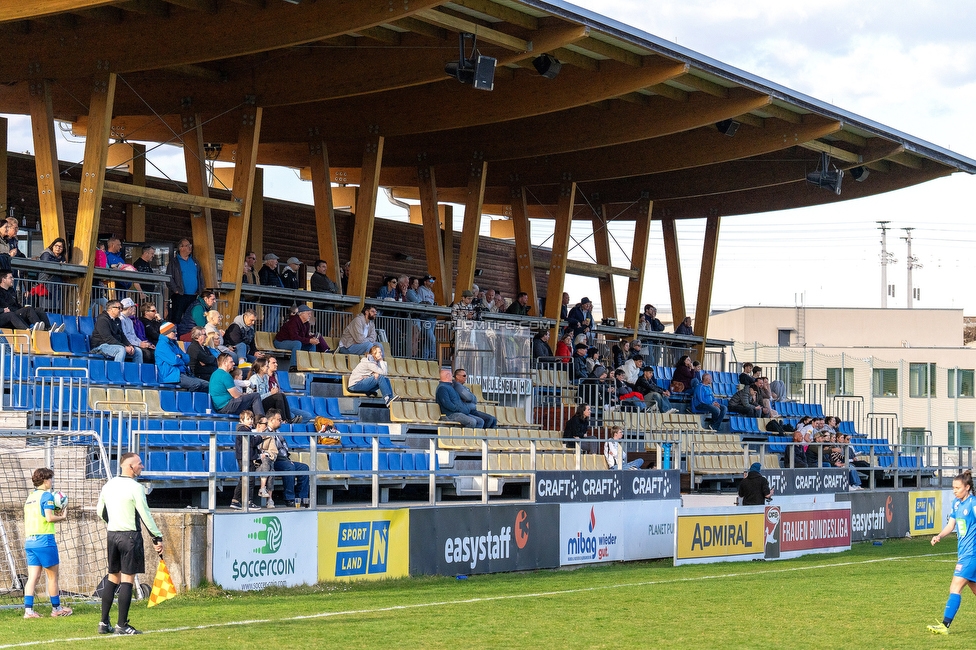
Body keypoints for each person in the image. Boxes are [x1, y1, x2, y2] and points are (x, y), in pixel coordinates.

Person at [96, 452, 163, 635]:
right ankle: (122, 625)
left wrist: (112, 523)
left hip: (112, 535)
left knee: (112, 578)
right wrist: (157, 537)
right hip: (130, 537)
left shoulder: (108, 485)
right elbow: (145, 514)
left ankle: (103, 623)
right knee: (127, 580)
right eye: (139, 464)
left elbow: (100, 511)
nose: (142, 466)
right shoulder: (136, 487)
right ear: (129, 466)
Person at [928, 471, 976, 635]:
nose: (954, 491)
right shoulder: (956, 504)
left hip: (971, 555)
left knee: (955, 587)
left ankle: (945, 625)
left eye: (958, 488)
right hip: (964, 554)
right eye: (953, 487)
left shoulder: (973, 504)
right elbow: (951, 525)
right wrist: (939, 536)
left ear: (967, 487)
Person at [22, 467, 72, 619]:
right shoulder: (47, 496)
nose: (51, 481)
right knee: (52, 577)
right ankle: (56, 609)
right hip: (45, 540)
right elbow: (49, 518)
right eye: (50, 479)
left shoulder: (30, 498)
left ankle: (28, 611)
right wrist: (62, 516)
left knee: (33, 577)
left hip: (30, 540)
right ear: (45, 480)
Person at [264, 409, 310, 508]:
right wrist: (287, 461)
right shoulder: (265, 432)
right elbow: (273, 451)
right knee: (289, 467)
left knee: (304, 468)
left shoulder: (277, 431)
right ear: (271, 420)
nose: (281, 421)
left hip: (284, 460)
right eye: (279, 419)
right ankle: (289, 499)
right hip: (273, 461)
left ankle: (301, 498)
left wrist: (287, 460)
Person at [229, 410, 271, 510]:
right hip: (245, 457)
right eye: (248, 419)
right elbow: (252, 443)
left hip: (246, 456)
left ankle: (236, 500)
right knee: (249, 480)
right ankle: (248, 501)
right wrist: (261, 437)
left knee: (245, 479)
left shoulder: (244, 429)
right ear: (242, 420)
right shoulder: (243, 429)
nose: (251, 421)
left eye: (252, 419)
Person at [249, 357, 308, 421]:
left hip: (264, 402)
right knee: (278, 396)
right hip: (258, 406)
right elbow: (255, 398)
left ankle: (289, 418)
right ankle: (283, 419)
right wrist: (271, 393)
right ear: (261, 368)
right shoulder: (254, 379)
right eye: (266, 366)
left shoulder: (265, 378)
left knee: (281, 395)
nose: (268, 368)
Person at [155, 321, 208, 391]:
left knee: (207, 385)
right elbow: (174, 361)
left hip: (181, 373)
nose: (176, 333)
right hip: (171, 376)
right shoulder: (162, 345)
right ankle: (187, 401)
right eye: (174, 331)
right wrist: (181, 359)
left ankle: (200, 401)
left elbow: (187, 358)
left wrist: (180, 356)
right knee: (196, 384)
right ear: (166, 333)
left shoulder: (174, 343)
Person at [275, 304, 329, 369]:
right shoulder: (294, 321)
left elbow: (305, 337)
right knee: (297, 343)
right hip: (280, 342)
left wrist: (312, 339)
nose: (310, 315)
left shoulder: (306, 324)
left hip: (294, 342)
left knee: (312, 345)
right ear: (301, 314)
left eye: (310, 313)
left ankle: (312, 365)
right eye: (308, 313)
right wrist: (309, 340)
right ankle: (293, 366)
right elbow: (294, 337)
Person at [165, 237, 204, 325]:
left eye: (190, 245)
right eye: (187, 245)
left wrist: (200, 290)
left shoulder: (195, 261)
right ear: (180, 248)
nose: (190, 247)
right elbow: (169, 277)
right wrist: (175, 290)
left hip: (193, 296)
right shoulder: (174, 262)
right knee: (177, 318)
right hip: (180, 295)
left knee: (191, 319)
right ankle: (175, 336)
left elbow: (200, 276)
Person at [119, 298, 155, 363]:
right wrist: (139, 344)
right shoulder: (121, 319)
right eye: (134, 307)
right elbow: (125, 337)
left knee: (154, 352)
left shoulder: (129, 320)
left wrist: (144, 343)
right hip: (126, 344)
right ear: (130, 308)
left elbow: (134, 336)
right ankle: (138, 371)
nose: (135, 309)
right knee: (146, 354)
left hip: (133, 343)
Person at [36, 238, 68, 312]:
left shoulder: (62, 257)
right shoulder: (46, 254)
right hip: (46, 283)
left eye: (60, 247)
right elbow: (47, 266)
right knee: (46, 306)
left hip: (57, 285)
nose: (58, 248)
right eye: (56, 245)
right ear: (52, 246)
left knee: (57, 308)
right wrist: (59, 265)